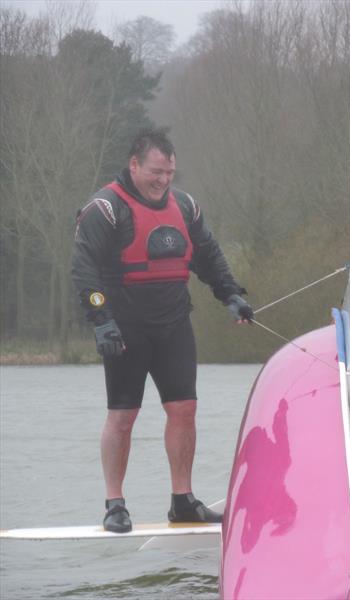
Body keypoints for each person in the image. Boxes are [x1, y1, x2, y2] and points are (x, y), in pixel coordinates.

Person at [72, 129, 254, 533]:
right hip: (123, 328)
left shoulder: (186, 207)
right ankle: (115, 504)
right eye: (156, 171)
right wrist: (101, 321)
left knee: (184, 409)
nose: (163, 180)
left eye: (169, 172)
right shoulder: (104, 209)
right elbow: (84, 273)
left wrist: (231, 295)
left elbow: (208, 256)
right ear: (134, 165)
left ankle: (183, 501)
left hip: (173, 323)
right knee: (123, 415)